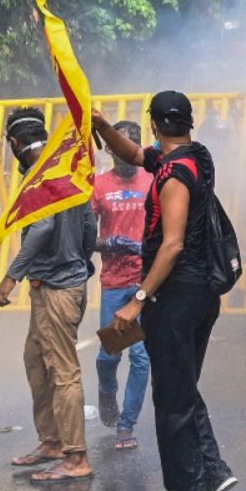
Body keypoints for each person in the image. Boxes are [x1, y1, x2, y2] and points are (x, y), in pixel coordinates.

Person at [93, 92, 237, 491]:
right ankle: (211, 470)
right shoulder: (193, 157)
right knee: (182, 385)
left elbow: (172, 245)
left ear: (154, 124)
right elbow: (136, 155)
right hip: (193, 293)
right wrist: (102, 128)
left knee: (172, 394)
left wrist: (137, 300)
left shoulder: (175, 174)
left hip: (178, 293)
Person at [0, 108, 97, 484]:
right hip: (57, 283)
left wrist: (11, 277)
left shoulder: (39, 176)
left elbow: (42, 226)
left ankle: (76, 457)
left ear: (15, 143)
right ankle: (53, 441)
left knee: (63, 372)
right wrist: (77, 260)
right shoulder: (68, 169)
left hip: (57, 289)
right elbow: (88, 224)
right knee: (36, 361)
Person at [92, 120, 153, 450]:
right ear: (109, 149)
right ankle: (106, 390)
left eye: (128, 147)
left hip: (146, 281)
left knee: (141, 358)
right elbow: (87, 237)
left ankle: (126, 426)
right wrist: (107, 243)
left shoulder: (153, 180)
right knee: (109, 355)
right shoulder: (99, 186)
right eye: (115, 147)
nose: (123, 155)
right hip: (114, 281)